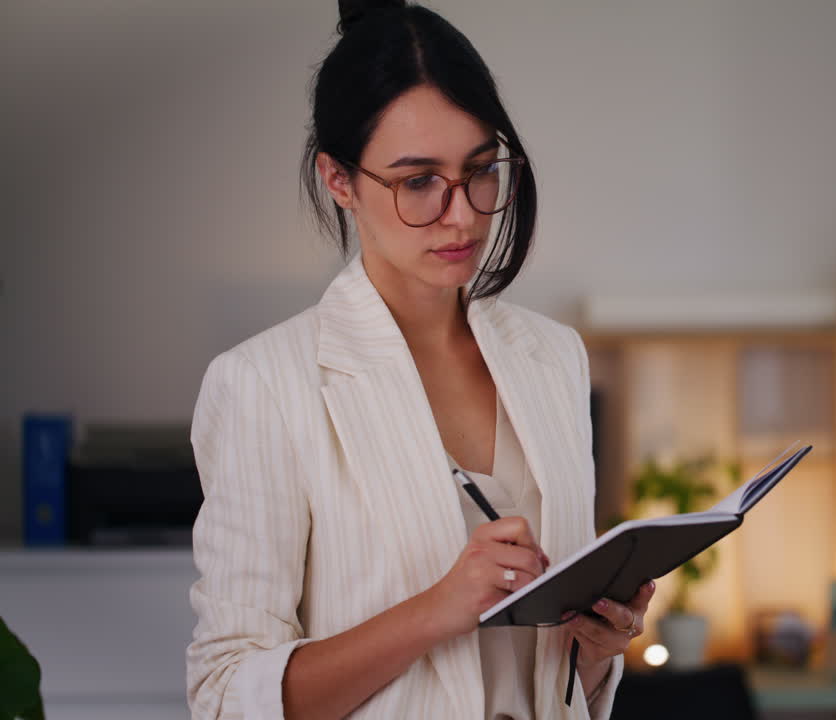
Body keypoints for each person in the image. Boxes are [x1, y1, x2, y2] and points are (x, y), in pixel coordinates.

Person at [184, 2, 655, 718]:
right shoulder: (263, 386)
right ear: (340, 181)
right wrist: (438, 609)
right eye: (418, 181)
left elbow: (558, 693)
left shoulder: (553, 358)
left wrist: (595, 650)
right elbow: (224, 698)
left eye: (479, 171)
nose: (462, 214)